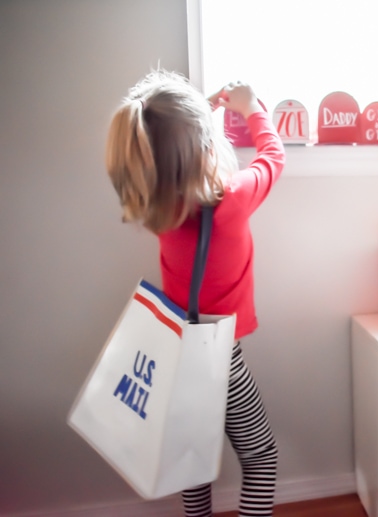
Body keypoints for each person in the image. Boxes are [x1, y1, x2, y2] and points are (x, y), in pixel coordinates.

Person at [105, 69, 284, 517]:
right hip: (221, 358)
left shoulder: (156, 206)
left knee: (193, 466)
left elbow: (167, 155)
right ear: (206, 146)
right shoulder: (232, 200)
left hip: (172, 353)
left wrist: (202, 112)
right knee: (261, 458)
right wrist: (251, 107)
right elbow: (273, 158)